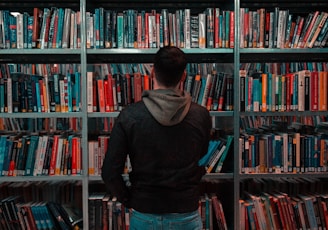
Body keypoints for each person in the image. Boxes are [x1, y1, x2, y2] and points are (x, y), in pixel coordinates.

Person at [101, 46, 212, 229]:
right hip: (186, 211)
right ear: (183, 76)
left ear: (152, 72)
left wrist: (130, 199)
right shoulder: (201, 115)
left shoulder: (130, 115)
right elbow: (201, 154)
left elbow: (109, 173)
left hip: (145, 211)